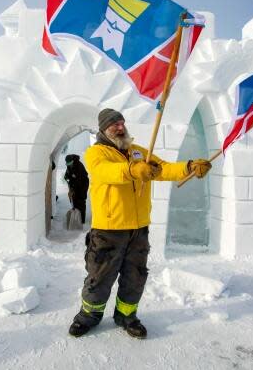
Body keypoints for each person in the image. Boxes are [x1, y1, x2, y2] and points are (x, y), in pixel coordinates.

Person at [68, 108, 211, 339]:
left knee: (135, 276)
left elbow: (162, 168)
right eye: (114, 124)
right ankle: (88, 316)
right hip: (108, 229)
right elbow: (106, 172)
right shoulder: (96, 154)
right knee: (99, 277)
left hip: (138, 229)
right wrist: (133, 170)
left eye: (122, 122)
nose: (120, 127)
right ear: (104, 129)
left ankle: (126, 315)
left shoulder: (138, 152)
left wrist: (189, 166)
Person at [63, 154, 89, 224]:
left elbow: (79, 180)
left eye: (69, 163)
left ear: (73, 161)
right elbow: (66, 176)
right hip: (74, 183)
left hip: (82, 184)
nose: (68, 165)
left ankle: (82, 220)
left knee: (81, 200)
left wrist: (73, 189)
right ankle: (76, 215)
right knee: (74, 199)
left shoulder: (79, 166)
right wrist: (68, 179)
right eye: (67, 164)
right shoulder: (69, 166)